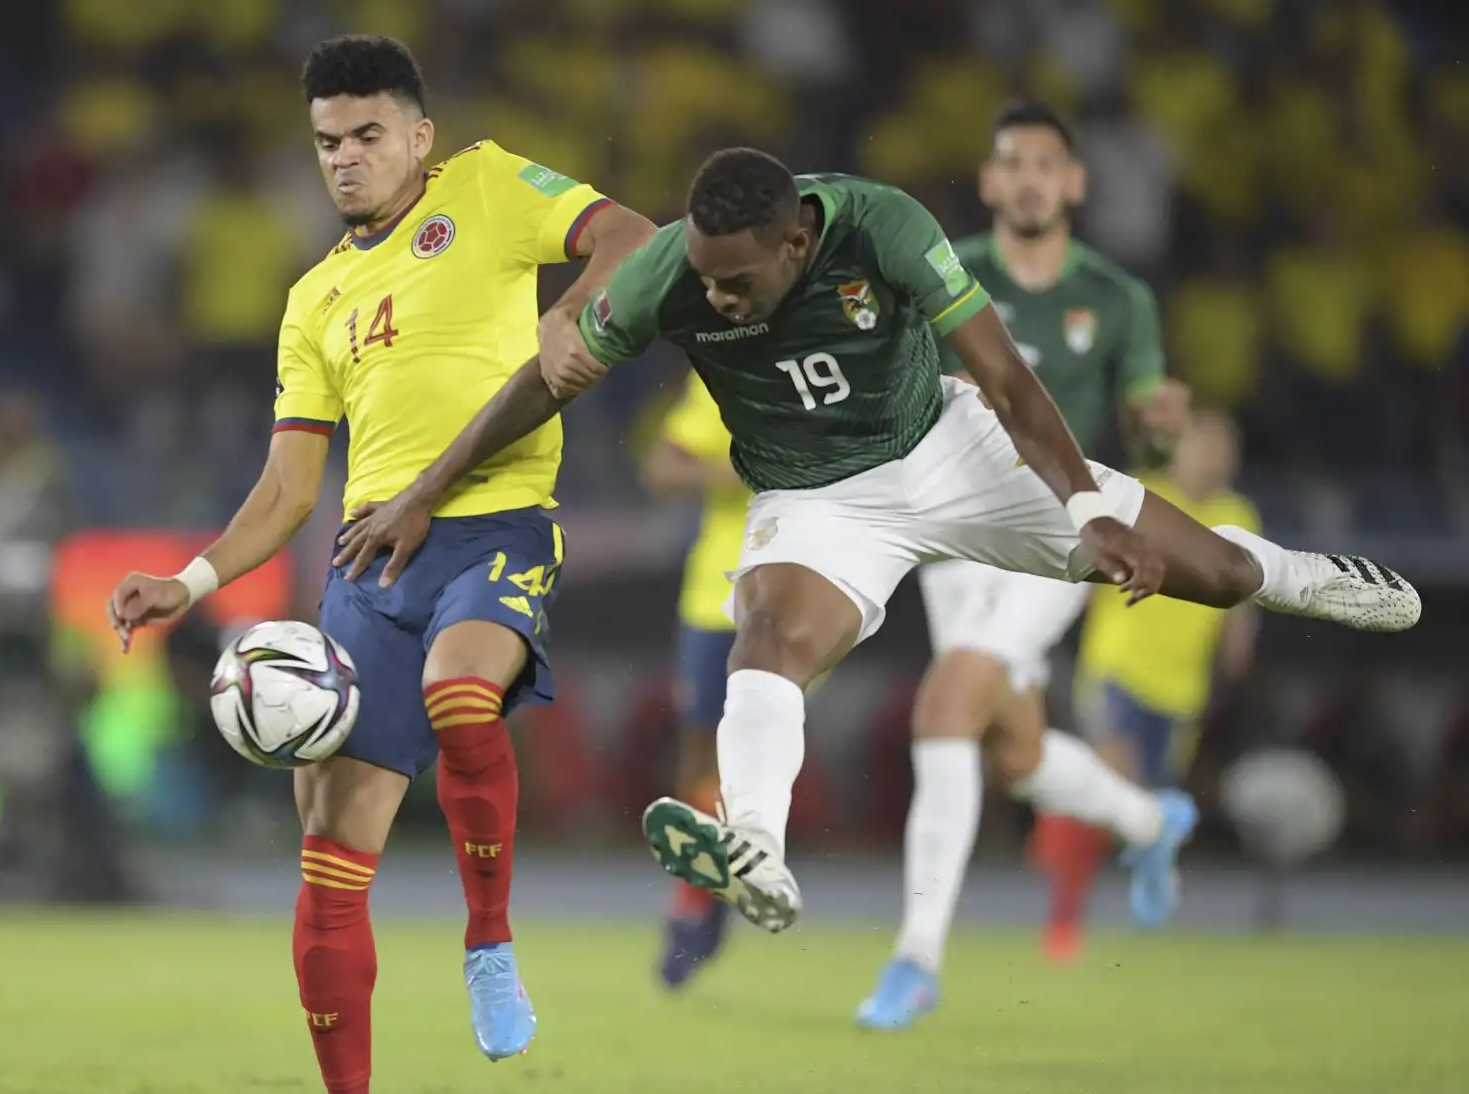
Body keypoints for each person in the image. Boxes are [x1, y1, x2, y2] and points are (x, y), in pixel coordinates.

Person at [334, 146, 1419, 985]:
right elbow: (537, 384)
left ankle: (1307, 577)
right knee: (770, 638)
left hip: (954, 452)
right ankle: (754, 841)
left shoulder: (884, 225)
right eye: (702, 283)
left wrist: (1084, 505)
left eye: (736, 282)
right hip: (815, 500)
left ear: (798, 245)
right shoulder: (670, 272)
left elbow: (1002, 375)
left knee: (1219, 575)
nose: (712, 300)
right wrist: (423, 495)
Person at [104, 36, 655, 1094]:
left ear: (418, 134)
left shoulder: (492, 185)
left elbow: (632, 239)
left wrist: (580, 315)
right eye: (325, 144)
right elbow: (289, 489)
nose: (345, 160)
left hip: (497, 526)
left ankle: (489, 941)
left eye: (365, 136)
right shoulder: (315, 299)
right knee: (329, 845)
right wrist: (194, 580)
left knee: (464, 692)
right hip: (369, 566)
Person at [871, 100, 1194, 1027]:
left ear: (1075, 185)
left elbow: (1148, 439)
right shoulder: (947, 272)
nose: (1028, 179)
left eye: (1045, 165)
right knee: (1010, 750)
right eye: (1012, 163)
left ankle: (915, 957)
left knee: (947, 703)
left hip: (1054, 539)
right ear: (989, 181)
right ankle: (1149, 821)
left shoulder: (1119, 298)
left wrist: (1159, 431)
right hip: (949, 537)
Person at [1044, 409, 1261, 951]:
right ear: (1178, 450)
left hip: (1181, 688)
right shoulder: (1144, 497)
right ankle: (1065, 923)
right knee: (1112, 789)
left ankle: (1145, 880)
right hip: (1118, 669)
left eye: (1222, 447)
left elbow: (1241, 595)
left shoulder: (1238, 513)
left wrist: (1239, 642)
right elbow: (1092, 575)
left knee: (1143, 807)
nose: (1213, 457)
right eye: (1202, 444)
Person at [641, 373, 752, 987]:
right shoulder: (719, 373)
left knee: (751, 754)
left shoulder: (826, 362)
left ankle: (714, 887)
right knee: (699, 759)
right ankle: (698, 895)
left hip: (798, 589)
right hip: (714, 592)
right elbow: (662, 467)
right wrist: (744, 471)